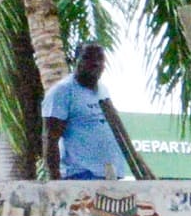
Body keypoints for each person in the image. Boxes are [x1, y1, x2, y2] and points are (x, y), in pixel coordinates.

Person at [42, 43, 148, 183]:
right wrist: (56, 183)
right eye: (87, 58)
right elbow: (50, 138)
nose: (95, 63)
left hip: (110, 175)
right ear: (76, 60)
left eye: (100, 58)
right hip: (80, 175)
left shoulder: (103, 90)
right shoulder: (62, 91)